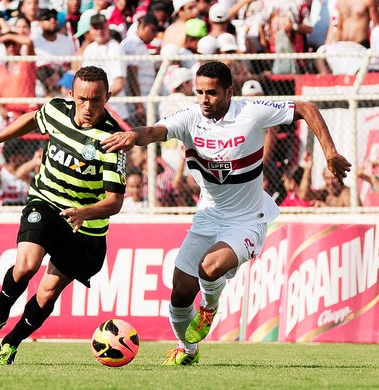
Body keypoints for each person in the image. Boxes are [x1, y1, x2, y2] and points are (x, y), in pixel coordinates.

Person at [101, 61, 351, 365]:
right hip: (207, 216)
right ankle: (187, 348)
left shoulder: (251, 111)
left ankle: (209, 306)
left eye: (212, 93)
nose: (204, 99)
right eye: (200, 92)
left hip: (248, 219)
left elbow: (306, 107)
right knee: (179, 295)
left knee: (209, 267)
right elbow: (155, 131)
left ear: (229, 92)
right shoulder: (191, 117)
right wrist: (132, 135)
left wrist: (330, 152)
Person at [0, 66, 126, 365]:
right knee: (26, 265)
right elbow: (32, 120)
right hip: (46, 203)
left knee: (47, 294)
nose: (88, 107)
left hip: (86, 228)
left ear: (108, 97)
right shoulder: (56, 110)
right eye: (82, 99)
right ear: (71, 94)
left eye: (96, 100)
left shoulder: (113, 140)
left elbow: (114, 201)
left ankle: (11, 342)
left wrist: (85, 212)